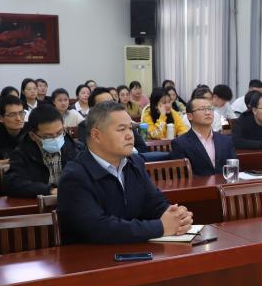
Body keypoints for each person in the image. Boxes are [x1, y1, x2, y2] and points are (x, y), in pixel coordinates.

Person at [57, 101, 193, 244]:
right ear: (96, 135)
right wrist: (160, 227)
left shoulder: (134, 162)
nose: (130, 135)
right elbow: (98, 228)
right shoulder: (75, 176)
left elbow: (154, 203)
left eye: (130, 128)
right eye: (121, 129)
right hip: (92, 255)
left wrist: (175, 215)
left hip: (134, 249)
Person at [5, 104, 82, 198]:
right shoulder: (22, 153)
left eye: (59, 133)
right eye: (48, 136)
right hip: (40, 203)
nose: (55, 139)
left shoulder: (75, 148)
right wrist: (49, 190)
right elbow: (13, 184)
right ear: (33, 136)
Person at [170, 97, 237, 176]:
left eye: (210, 108)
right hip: (197, 184)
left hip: (223, 182)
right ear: (190, 116)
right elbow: (183, 176)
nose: (208, 112)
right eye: (202, 109)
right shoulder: (180, 144)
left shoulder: (226, 140)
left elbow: (233, 169)